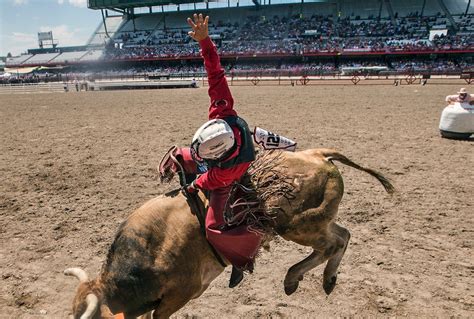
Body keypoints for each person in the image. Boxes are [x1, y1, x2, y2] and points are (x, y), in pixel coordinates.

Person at [184, 14, 262, 288]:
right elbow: (215, 72)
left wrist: (194, 186)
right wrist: (204, 41)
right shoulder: (222, 109)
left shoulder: (230, 169)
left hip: (226, 180)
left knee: (213, 228)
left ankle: (243, 255)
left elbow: (210, 180)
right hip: (224, 166)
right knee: (181, 156)